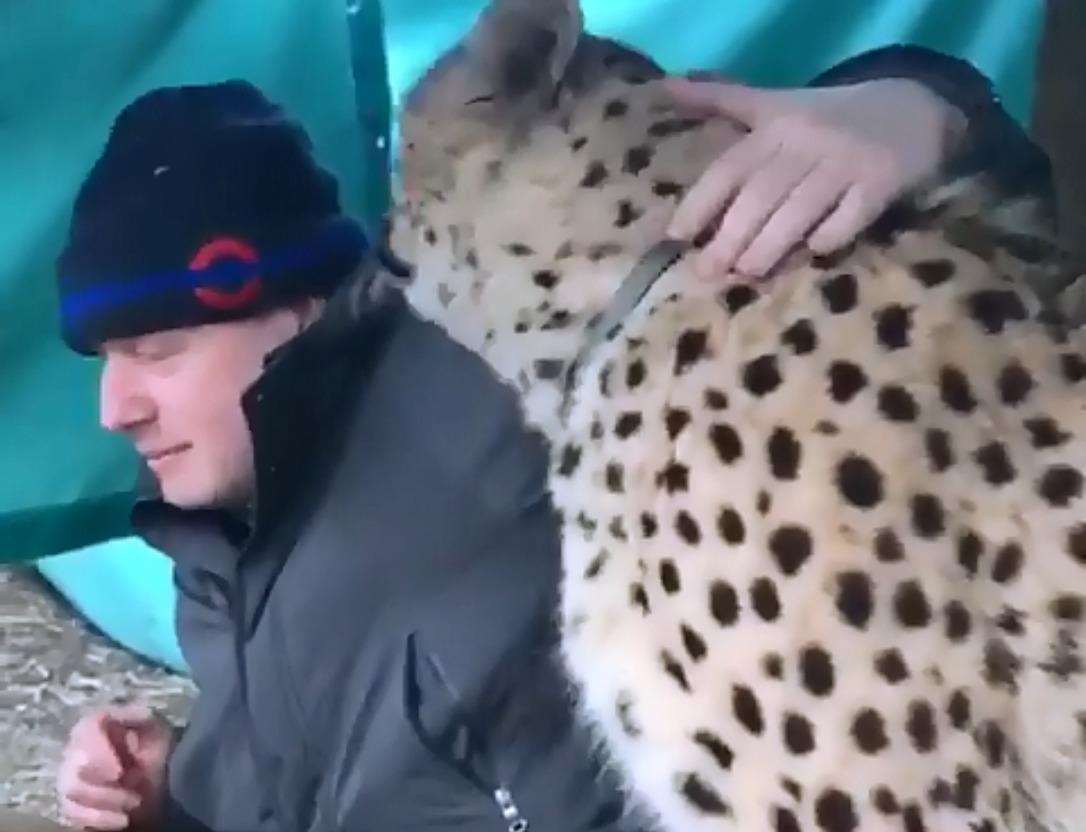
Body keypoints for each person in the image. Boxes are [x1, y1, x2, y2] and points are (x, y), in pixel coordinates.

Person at [52, 45, 1049, 832]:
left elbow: (724, 193)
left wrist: (924, 112)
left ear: (296, 306)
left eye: (159, 347)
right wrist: (167, 801)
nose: (116, 406)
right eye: (103, 358)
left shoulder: (468, 375)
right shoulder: (210, 560)